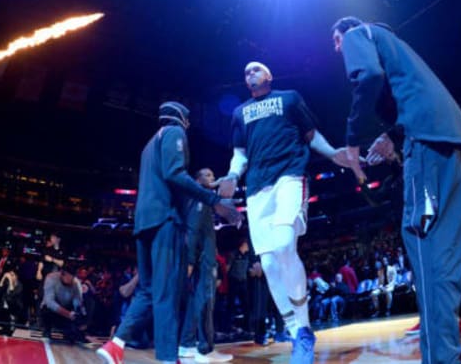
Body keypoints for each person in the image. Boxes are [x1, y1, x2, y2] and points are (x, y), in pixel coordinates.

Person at [331, 16, 461, 364]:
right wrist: (393, 136)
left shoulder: (360, 34)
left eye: (335, 40)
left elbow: (369, 77)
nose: (337, 49)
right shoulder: (401, 49)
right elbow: (412, 98)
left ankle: (441, 358)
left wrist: (352, 141)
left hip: (429, 146)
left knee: (431, 255)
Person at [217, 62, 347, 364]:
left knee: (285, 244)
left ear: (269, 76)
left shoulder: (290, 98)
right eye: (246, 71)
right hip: (256, 188)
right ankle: (295, 330)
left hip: (289, 176)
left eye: (256, 69)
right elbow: (240, 155)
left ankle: (303, 328)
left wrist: (333, 153)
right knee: (269, 263)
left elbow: (311, 135)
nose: (249, 72)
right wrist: (232, 176)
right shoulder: (239, 113)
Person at [97, 102, 241, 364]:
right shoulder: (175, 133)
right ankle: (166, 359)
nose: (188, 125)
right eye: (187, 120)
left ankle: (116, 344)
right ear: (181, 119)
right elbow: (175, 174)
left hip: (143, 222)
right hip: (164, 220)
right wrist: (213, 199)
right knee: (166, 295)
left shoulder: (148, 145)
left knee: (148, 290)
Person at [179, 168, 233, 363]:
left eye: (213, 174)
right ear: (197, 179)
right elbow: (192, 231)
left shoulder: (202, 200)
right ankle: (205, 349)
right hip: (204, 262)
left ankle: (186, 345)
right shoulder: (200, 199)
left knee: (196, 303)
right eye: (208, 175)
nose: (212, 178)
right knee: (205, 303)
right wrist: (191, 261)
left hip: (203, 259)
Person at [40, 263, 88, 344]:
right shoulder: (51, 278)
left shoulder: (76, 283)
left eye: (72, 277)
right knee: (46, 309)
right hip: (51, 310)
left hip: (67, 308)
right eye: (68, 277)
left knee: (72, 334)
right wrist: (67, 314)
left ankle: (72, 332)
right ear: (62, 274)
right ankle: (46, 331)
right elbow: (49, 302)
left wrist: (81, 317)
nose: (70, 280)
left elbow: (78, 301)